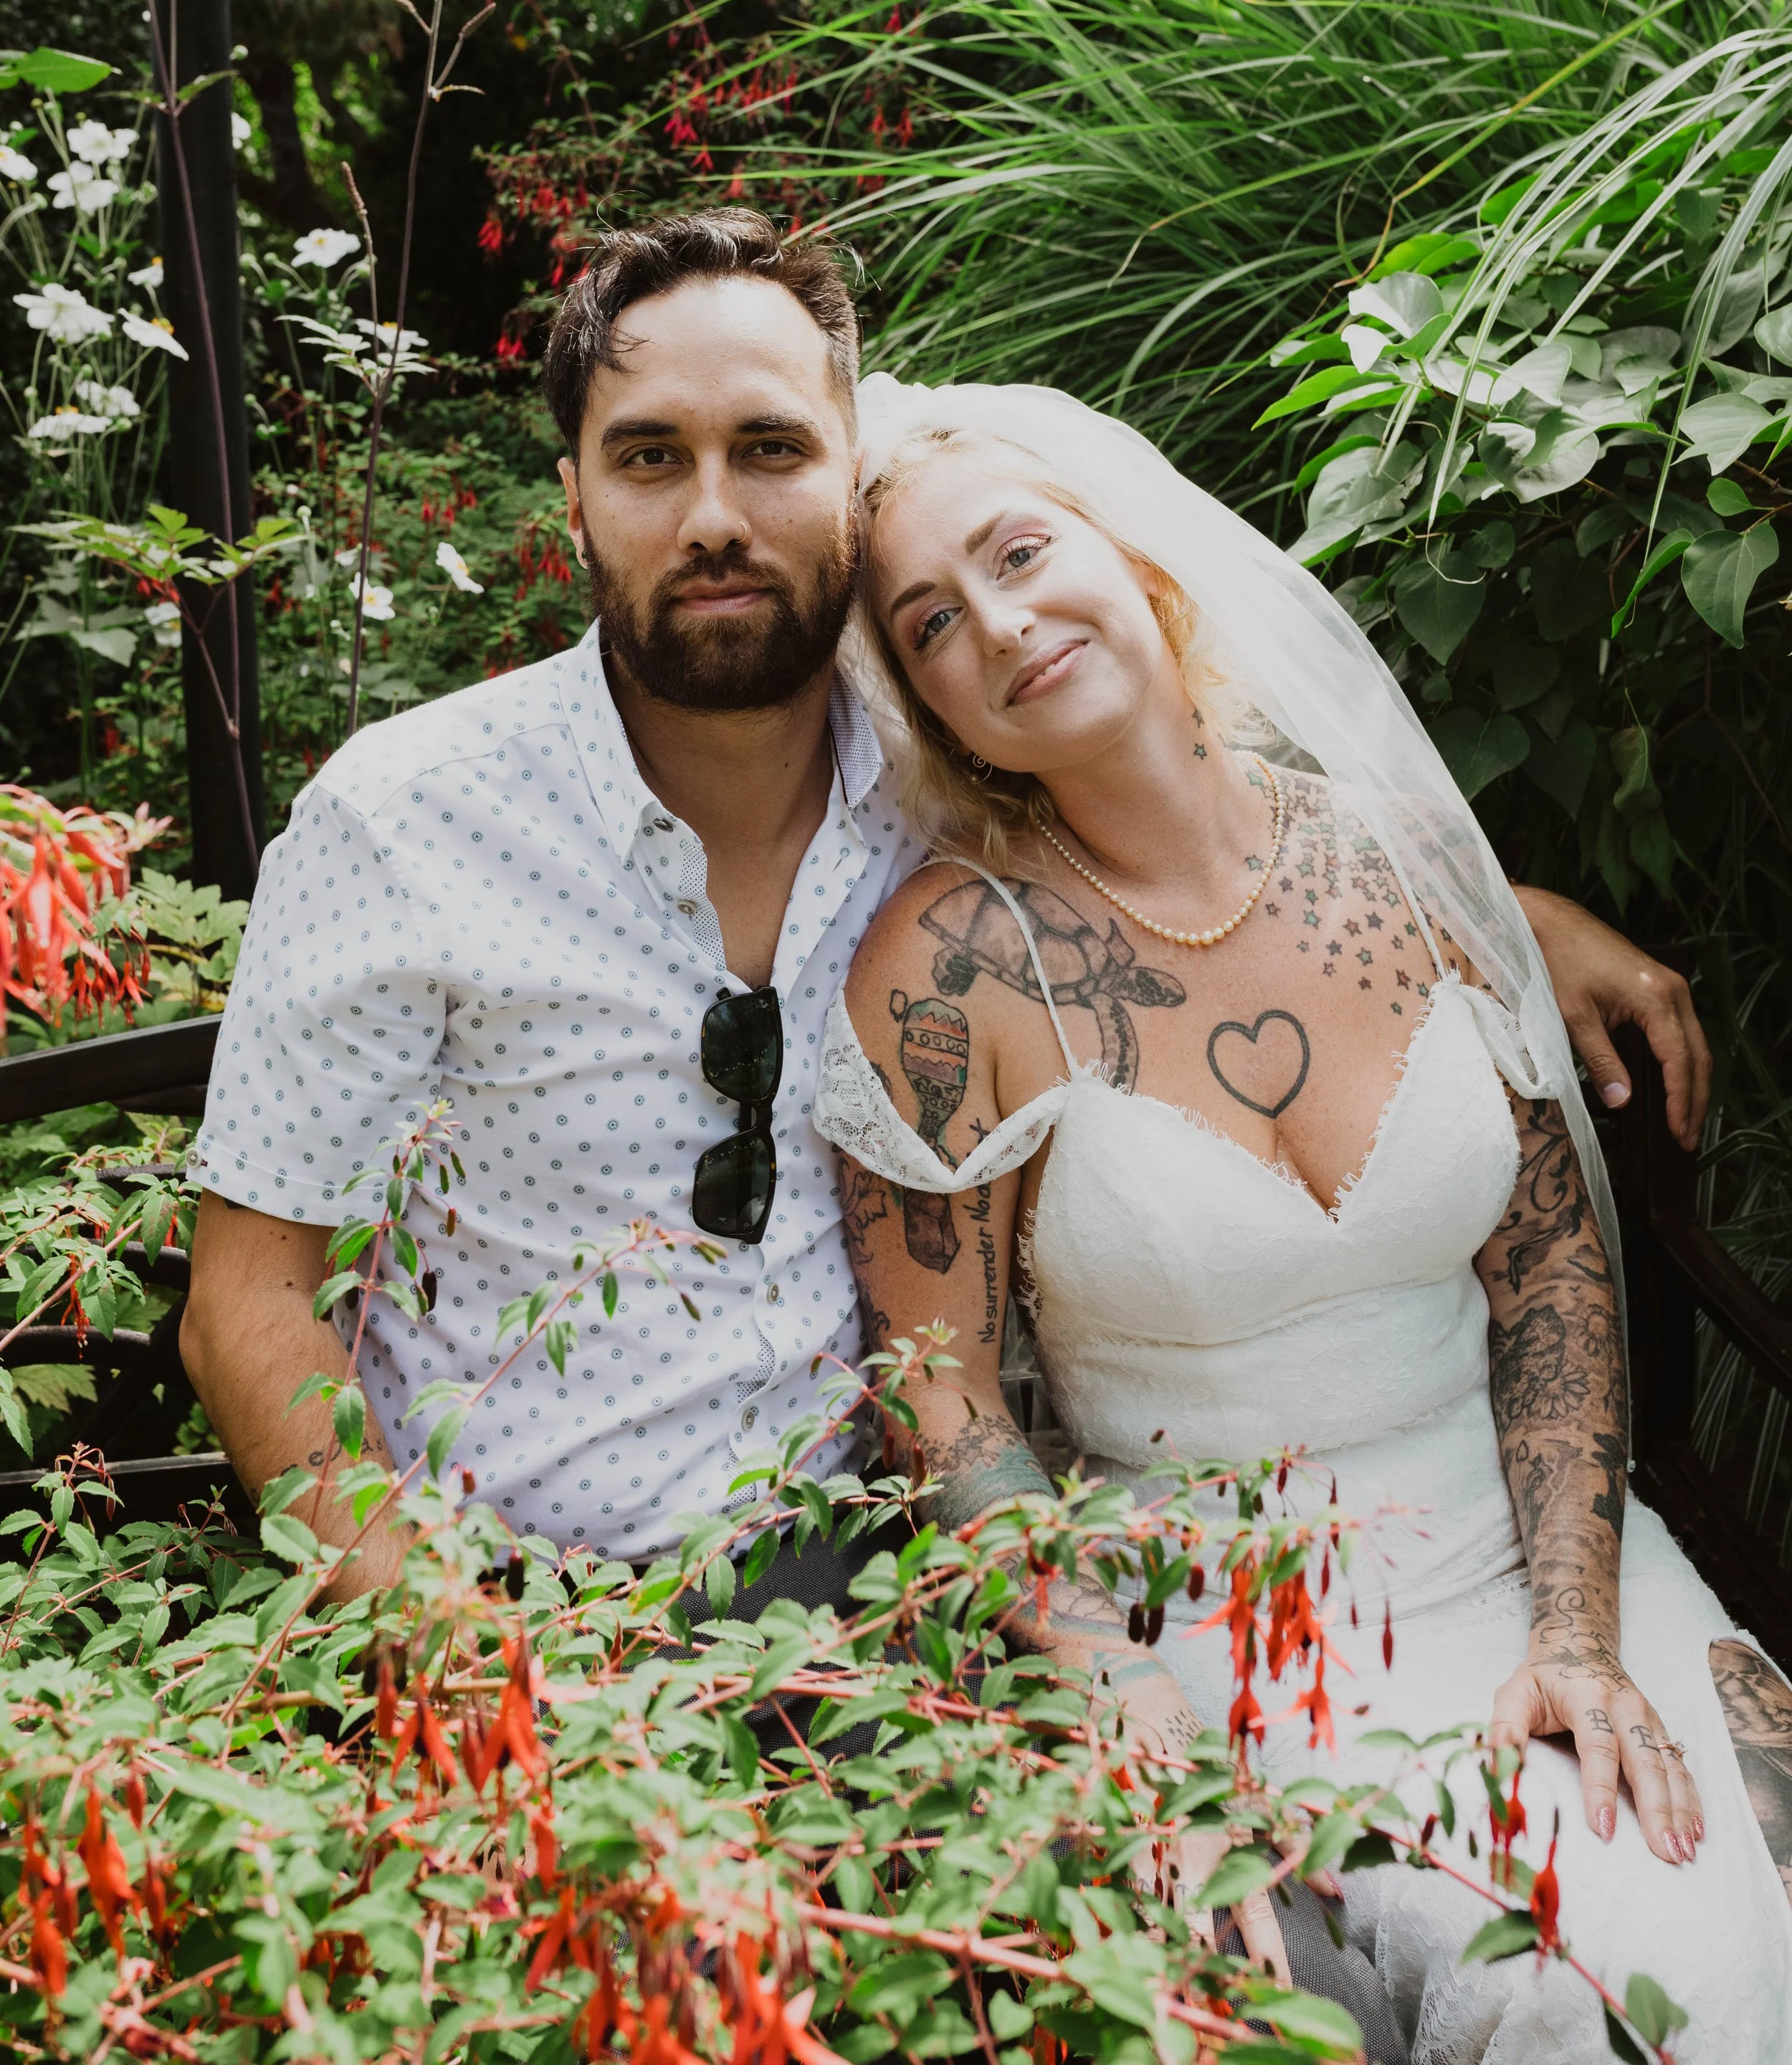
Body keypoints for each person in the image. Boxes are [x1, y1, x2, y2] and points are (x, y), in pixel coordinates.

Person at [178, 211, 1705, 2033]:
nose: (715, 512)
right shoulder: (403, 820)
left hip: (900, 1603)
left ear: (847, 471)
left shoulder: (954, 771)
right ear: (572, 496)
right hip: (527, 1611)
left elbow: (1217, 882)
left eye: (769, 450)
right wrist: (483, 1674)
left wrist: (1511, 925)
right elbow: (251, 1313)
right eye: (650, 458)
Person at [812, 371, 1792, 2063]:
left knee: (1748, 1903)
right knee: (1566, 1999)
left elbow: (1547, 1262)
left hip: (1542, 1551)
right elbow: (937, 1387)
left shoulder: (1413, 866)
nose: (998, 620)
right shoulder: (951, 965)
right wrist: (1104, 1685)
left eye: (1023, 550)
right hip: (1221, 1621)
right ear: (931, 708)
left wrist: (1572, 1630)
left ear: (1142, 560)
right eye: (929, 621)